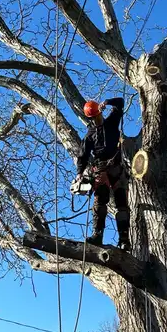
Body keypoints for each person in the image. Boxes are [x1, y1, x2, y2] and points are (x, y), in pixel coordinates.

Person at [73, 97, 131, 250]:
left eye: (98, 115)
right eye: (93, 117)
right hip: (100, 170)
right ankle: (97, 235)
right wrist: (80, 172)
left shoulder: (111, 122)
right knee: (100, 202)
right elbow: (83, 155)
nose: (97, 118)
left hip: (117, 167)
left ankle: (124, 239)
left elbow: (120, 103)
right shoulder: (90, 135)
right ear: (90, 118)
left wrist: (107, 102)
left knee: (121, 204)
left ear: (101, 113)